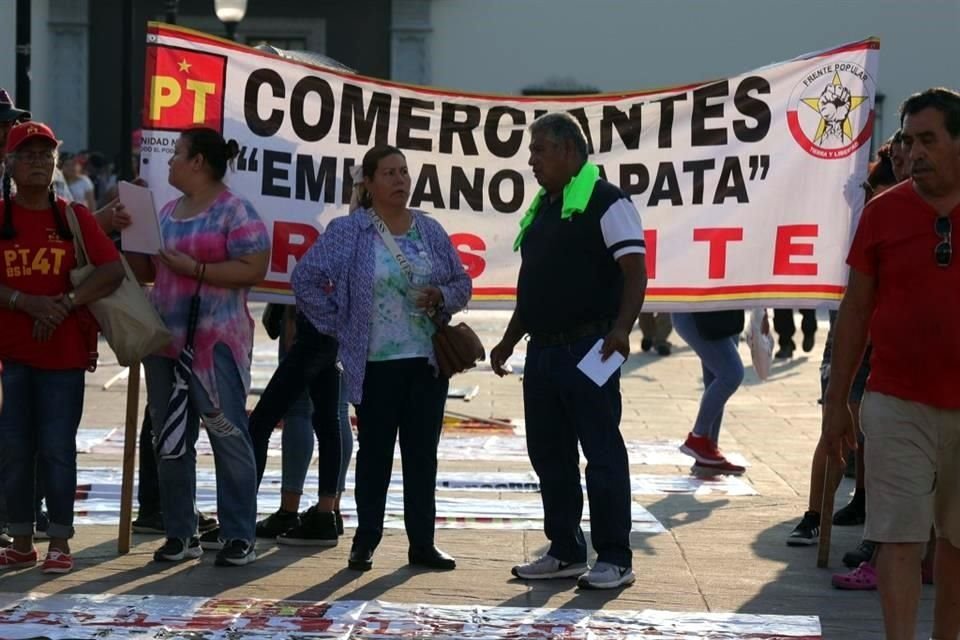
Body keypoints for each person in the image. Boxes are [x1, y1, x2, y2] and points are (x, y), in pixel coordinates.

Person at [821, 88, 960, 640]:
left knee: (955, 542)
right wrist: (837, 407)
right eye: (908, 140)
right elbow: (854, 312)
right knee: (898, 538)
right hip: (896, 402)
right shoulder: (882, 213)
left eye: (929, 139)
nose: (915, 152)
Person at [293, 144, 471, 572]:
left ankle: (422, 543)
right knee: (375, 455)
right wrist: (341, 322)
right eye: (389, 173)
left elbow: (462, 281)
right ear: (368, 184)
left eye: (404, 173)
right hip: (375, 365)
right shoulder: (349, 231)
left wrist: (441, 295)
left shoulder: (428, 230)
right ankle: (366, 539)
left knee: (421, 454)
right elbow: (305, 279)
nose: (399, 180)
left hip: (426, 363)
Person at [490, 113, 646, 590]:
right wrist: (510, 339)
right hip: (543, 352)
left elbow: (635, 270)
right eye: (532, 151)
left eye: (539, 150)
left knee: (601, 453)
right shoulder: (543, 206)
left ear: (569, 151)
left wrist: (622, 328)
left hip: (590, 347)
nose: (532, 160)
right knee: (549, 455)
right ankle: (564, 551)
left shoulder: (607, 201)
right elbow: (534, 283)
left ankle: (614, 557)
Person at [125, 127, 269, 567]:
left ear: (199, 163)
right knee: (168, 438)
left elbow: (254, 267)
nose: (169, 162)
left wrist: (197, 269)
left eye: (177, 155)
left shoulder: (235, 212)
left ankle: (239, 533)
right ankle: (180, 532)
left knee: (227, 435)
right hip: (165, 341)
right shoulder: (167, 212)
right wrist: (129, 231)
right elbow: (146, 270)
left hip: (216, 344)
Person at [0, 121, 124, 573]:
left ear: (55, 162)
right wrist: (24, 302)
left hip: (65, 357)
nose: (37, 161)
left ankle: (59, 543)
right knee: (13, 448)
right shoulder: (1, 216)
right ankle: (19, 539)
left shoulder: (74, 217)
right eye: (27, 154)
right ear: (9, 164)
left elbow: (110, 270)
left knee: (56, 447)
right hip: (12, 356)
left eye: (44, 154)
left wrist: (64, 304)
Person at [786, 142, 901, 548]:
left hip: (895, 340)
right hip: (853, 332)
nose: (909, 158)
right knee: (837, 423)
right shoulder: (862, 204)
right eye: (902, 149)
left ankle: (869, 512)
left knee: (881, 434)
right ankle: (815, 513)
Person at [248, 304, 354, 546]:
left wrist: (290, 315)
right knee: (336, 413)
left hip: (310, 324)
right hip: (344, 324)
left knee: (290, 414)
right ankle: (329, 510)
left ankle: (288, 508)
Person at [672, 311, 747, 475]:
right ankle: (698, 438)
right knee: (731, 374)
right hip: (698, 310)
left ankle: (708, 452)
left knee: (715, 378)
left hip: (728, 309)